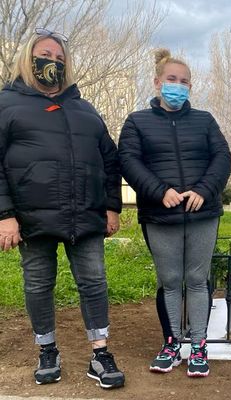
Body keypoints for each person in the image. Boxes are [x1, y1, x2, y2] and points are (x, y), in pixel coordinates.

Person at [0, 28, 125, 389]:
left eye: (58, 59)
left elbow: (110, 160)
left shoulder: (85, 109)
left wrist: (112, 207)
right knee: (38, 284)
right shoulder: (7, 104)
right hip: (31, 217)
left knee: (94, 282)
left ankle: (100, 353)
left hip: (85, 214)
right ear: (28, 58)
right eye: (45, 56)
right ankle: (47, 350)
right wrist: (5, 215)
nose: (51, 63)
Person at [118, 48, 231, 378]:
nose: (178, 86)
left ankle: (198, 346)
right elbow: (129, 162)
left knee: (197, 281)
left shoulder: (205, 120)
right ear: (157, 82)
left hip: (202, 213)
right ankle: (171, 344)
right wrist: (159, 191)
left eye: (184, 81)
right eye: (172, 79)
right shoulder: (136, 122)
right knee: (170, 282)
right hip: (160, 215)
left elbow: (222, 158)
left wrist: (202, 190)